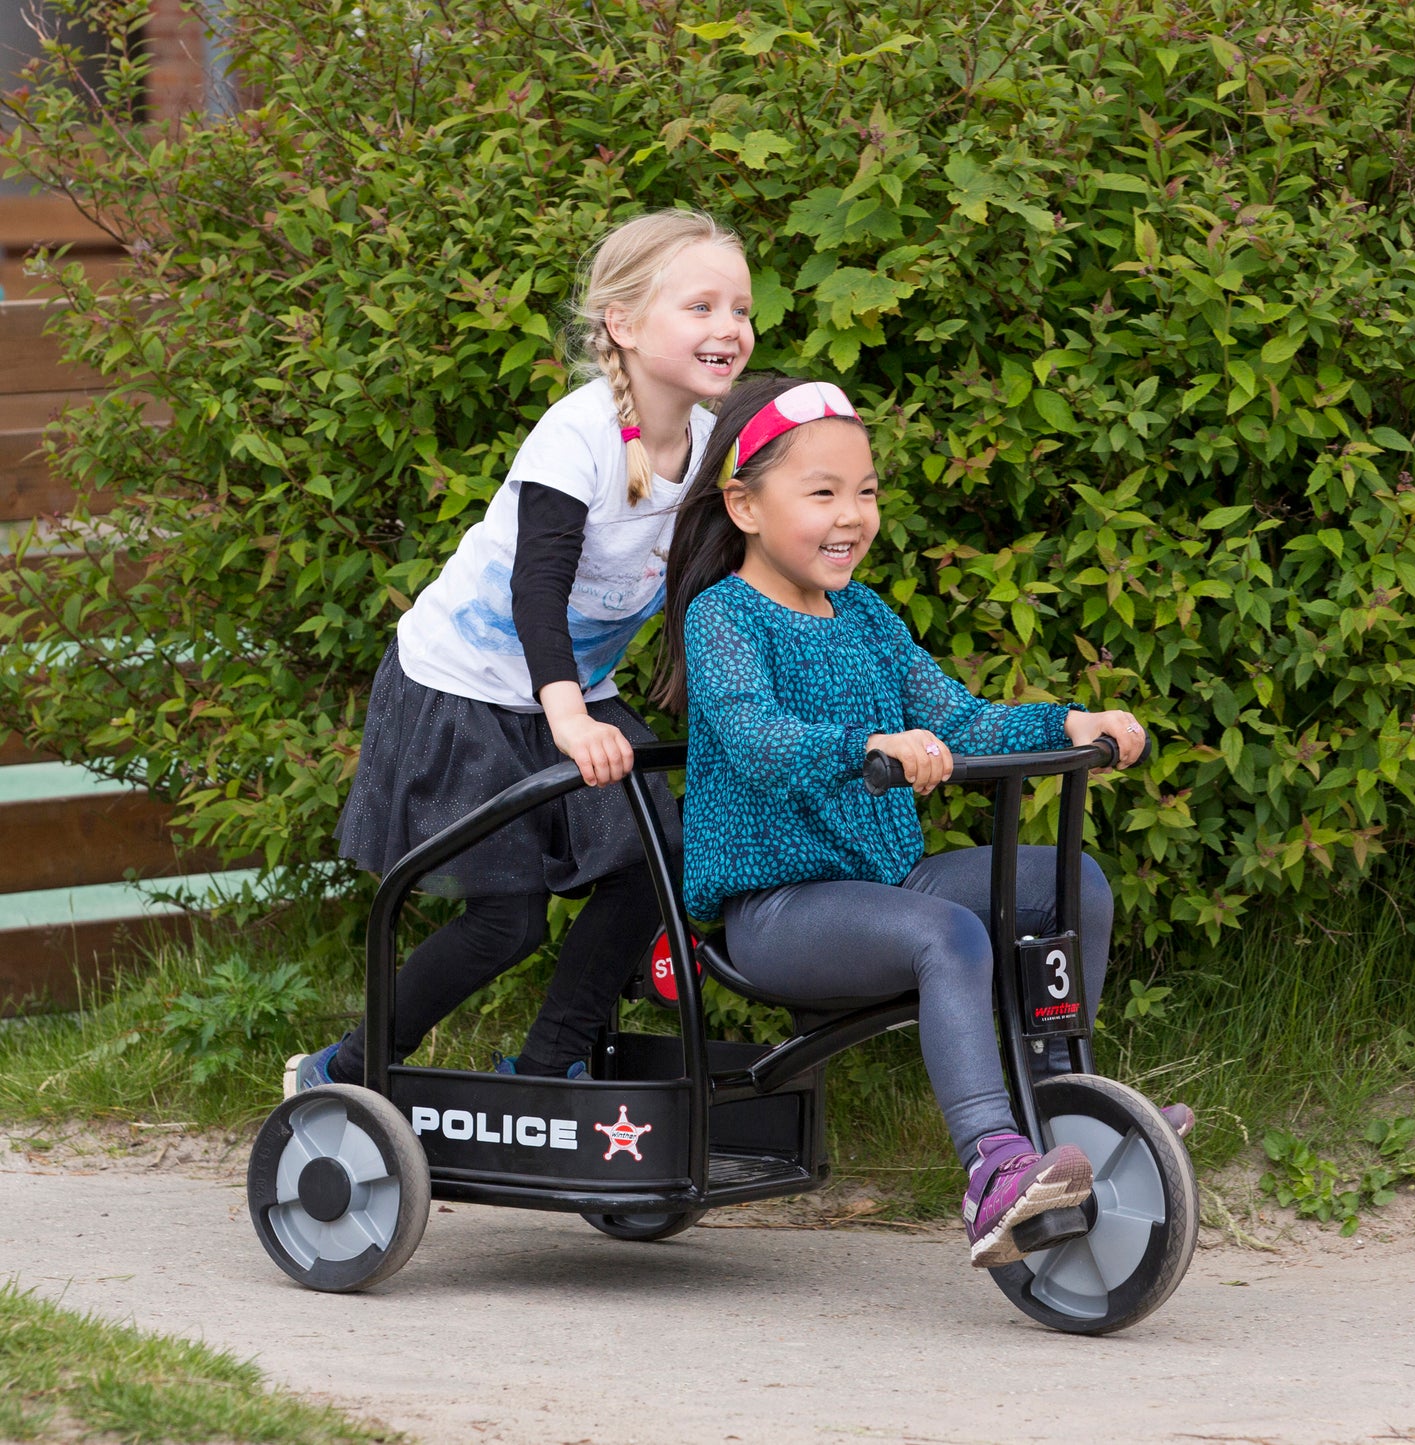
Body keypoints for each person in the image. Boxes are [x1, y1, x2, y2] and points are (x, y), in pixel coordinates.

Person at [656, 373, 1189, 1268]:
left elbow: (961, 717)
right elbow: (756, 737)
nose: (851, 514)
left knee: (1069, 882)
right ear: (744, 505)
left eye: (863, 492)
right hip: (778, 908)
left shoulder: (864, 615)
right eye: (821, 492)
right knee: (946, 933)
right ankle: (992, 1165)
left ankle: (1062, 1109)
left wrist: (1067, 723)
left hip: (884, 885)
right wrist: (866, 743)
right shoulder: (723, 619)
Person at [285, 209, 754, 1094]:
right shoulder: (574, 434)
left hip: (569, 687)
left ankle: (549, 1067)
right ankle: (342, 1071)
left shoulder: (707, 450)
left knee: (657, 861)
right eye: (699, 306)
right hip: (462, 689)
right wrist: (569, 711)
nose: (728, 328)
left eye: (740, 309)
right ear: (622, 321)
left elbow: (710, 582)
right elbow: (534, 588)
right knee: (506, 921)